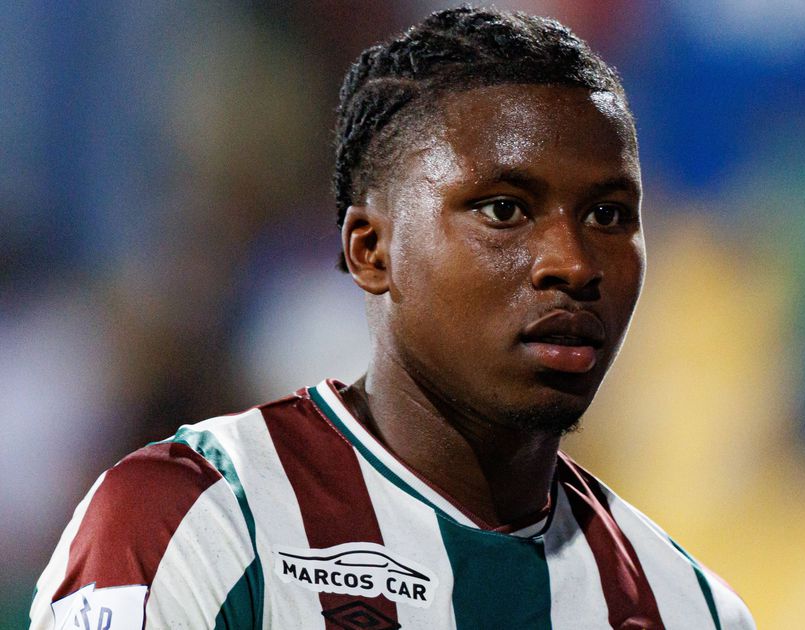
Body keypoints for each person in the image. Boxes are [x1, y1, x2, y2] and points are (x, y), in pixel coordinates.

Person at [31, 7, 755, 629]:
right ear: (370, 250)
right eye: (505, 209)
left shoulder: (689, 607)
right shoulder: (192, 523)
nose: (572, 262)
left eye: (608, 215)